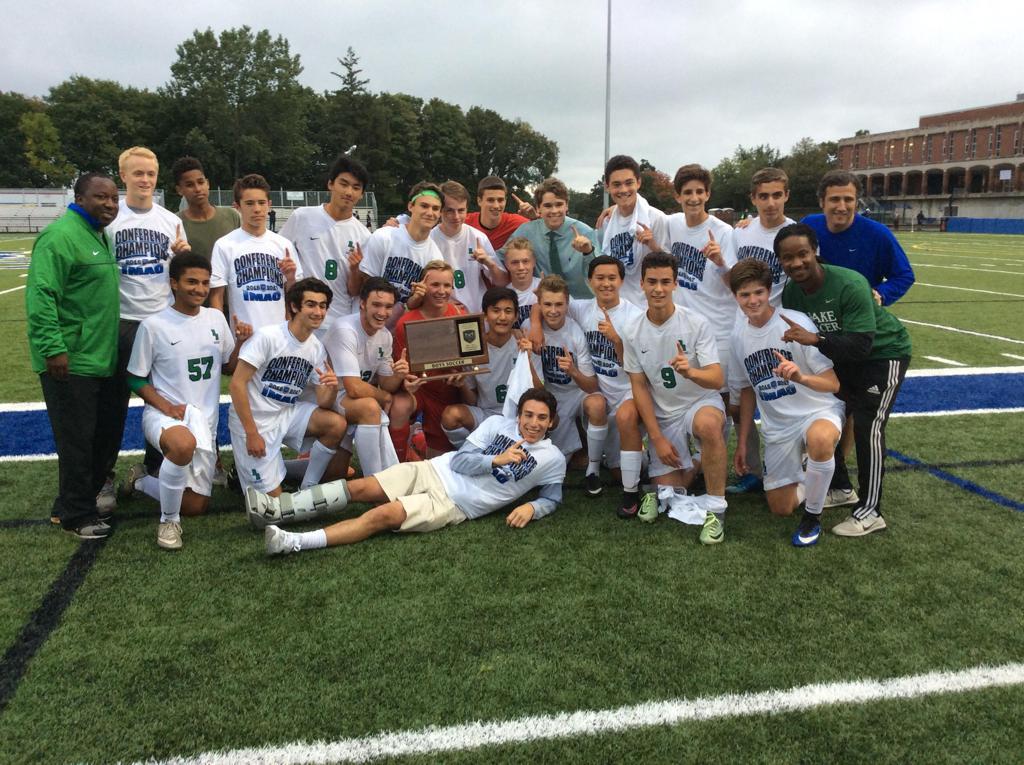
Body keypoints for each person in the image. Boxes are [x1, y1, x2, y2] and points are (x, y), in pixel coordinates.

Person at [250, 388, 567, 555]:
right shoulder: (498, 423)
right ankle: (278, 510)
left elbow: (553, 497)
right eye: (528, 415)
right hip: (433, 469)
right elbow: (459, 461)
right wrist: (494, 460)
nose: (533, 423)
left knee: (382, 516)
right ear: (519, 414)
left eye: (541, 418)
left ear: (551, 421)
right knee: (361, 488)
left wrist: (532, 507)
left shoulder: (552, 458)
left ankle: (293, 542)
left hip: (455, 504)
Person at [778, 223, 912, 537]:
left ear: (815, 253)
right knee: (826, 410)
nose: (796, 263)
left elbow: (861, 344)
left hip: (883, 353)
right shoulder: (792, 291)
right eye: (788, 258)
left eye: (803, 254)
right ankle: (839, 488)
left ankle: (870, 511)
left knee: (869, 426)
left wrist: (816, 339)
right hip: (841, 357)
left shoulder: (850, 283)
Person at [122, 253, 247, 549]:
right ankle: (168, 522)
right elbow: (134, 377)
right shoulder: (154, 325)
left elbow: (229, 367)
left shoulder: (216, 318)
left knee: (196, 506)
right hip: (165, 416)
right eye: (191, 281)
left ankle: (140, 480)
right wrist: (164, 406)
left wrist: (241, 342)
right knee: (182, 446)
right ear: (174, 283)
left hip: (204, 421)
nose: (199, 289)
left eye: (205, 283)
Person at [26, 172, 122, 539]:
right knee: (78, 439)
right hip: (72, 359)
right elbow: (41, 296)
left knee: (101, 436)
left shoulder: (100, 235)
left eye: (114, 198)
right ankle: (77, 516)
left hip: (100, 355)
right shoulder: (61, 236)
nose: (110, 204)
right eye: (101, 197)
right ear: (79, 198)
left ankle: (70, 502)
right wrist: (54, 349)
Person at [728, 259, 844, 547]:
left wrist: (800, 377)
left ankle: (812, 518)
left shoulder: (795, 323)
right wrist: (742, 443)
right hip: (778, 426)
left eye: (758, 292)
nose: (753, 300)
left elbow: (833, 384)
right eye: (745, 295)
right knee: (780, 508)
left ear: (769, 292)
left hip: (816, 411)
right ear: (735, 297)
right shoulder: (738, 335)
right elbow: (745, 391)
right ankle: (810, 473)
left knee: (819, 438)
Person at [622, 253, 728, 543]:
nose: (658, 289)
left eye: (665, 282)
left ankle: (716, 511)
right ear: (641, 283)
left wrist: (691, 372)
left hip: (699, 402)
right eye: (652, 282)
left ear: (675, 284)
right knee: (674, 490)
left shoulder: (696, 323)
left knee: (708, 426)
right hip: (664, 410)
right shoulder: (632, 329)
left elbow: (717, 379)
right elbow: (639, 386)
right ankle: (696, 460)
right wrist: (656, 437)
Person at [107, 146, 192, 501]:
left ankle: (156, 468)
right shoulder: (110, 219)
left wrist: (184, 256)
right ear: (123, 176)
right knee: (111, 403)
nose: (144, 180)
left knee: (162, 400)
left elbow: (179, 272)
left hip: (159, 323)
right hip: (120, 320)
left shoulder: (170, 219)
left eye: (150, 174)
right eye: (137, 173)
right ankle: (103, 476)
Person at [227, 277, 349, 499]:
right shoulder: (268, 336)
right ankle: (249, 473)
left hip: (285, 413)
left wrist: (331, 387)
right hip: (256, 420)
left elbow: (323, 402)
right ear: (294, 306)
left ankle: (308, 487)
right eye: (311, 304)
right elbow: (236, 384)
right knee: (271, 506)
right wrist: (251, 433)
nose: (318, 312)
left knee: (336, 424)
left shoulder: (316, 348)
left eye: (323, 306)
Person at [724, 167, 797, 495]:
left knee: (783, 398)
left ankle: (792, 466)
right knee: (739, 404)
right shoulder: (741, 233)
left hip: (781, 331)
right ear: (753, 199)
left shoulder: (796, 234)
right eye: (763, 196)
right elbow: (731, 278)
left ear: (787, 195)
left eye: (777, 195)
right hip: (742, 329)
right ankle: (751, 468)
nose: (770, 203)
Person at [317, 277, 410, 477]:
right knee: (369, 407)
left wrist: (399, 375)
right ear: (362, 304)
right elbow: (354, 387)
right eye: (376, 305)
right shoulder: (345, 329)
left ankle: (284, 469)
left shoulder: (385, 335)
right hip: (325, 397)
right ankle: (376, 480)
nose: (382, 312)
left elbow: (387, 384)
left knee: (334, 474)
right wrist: (384, 397)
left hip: (348, 400)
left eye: (388, 306)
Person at [279, 154, 371, 324]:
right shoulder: (302, 217)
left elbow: (354, 291)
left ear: (362, 194)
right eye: (343, 184)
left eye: (356, 187)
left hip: (339, 320)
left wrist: (355, 269)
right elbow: (280, 259)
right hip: (302, 318)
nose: (348, 192)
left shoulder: (364, 235)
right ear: (330, 184)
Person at [802, 170, 915, 306]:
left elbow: (904, 275)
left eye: (848, 199)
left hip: (857, 314)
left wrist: (880, 293)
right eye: (835, 199)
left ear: (856, 203)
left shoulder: (878, 234)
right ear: (822, 202)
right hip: (816, 310)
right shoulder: (808, 225)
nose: (842, 207)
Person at [391, 261, 469, 457]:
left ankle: (417, 440)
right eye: (435, 284)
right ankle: (397, 462)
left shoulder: (460, 315)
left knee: (437, 462)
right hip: (419, 390)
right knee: (400, 405)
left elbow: (469, 363)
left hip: (446, 392)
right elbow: (400, 370)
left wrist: (462, 376)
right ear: (423, 286)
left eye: (447, 285)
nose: (441, 291)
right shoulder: (405, 323)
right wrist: (405, 382)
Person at [210, 174, 302, 331]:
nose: (257, 209)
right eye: (249, 203)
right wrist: (221, 334)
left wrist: (291, 278)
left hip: (279, 337)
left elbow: (295, 296)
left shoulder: (283, 245)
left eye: (261, 202)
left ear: (269, 205)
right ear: (237, 207)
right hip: (243, 339)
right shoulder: (225, 245)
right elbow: (216, 296)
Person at [523, 274, 599, 458]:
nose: (553, 310)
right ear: (539, 305)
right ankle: (576, 445)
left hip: (576, 393)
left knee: (597, 404)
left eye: (559, 304)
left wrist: (573, 370)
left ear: (567, 305)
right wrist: (527, 354)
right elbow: (537, 386)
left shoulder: (576, 333)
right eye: (547, 304)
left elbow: (591, 386)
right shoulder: (529, 329)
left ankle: (592, 456)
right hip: (548, 394)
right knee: (557, 458)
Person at [441, 287, 527, 447]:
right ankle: (468, 452)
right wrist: (462, 386)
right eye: (496, 310)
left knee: (553, 416)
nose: (502, 317)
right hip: (486, 415)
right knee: (451, 415)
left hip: (519, 416)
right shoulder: (474, 349)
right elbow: (472, 400)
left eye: (508, 311)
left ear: (516, 316)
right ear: (485, 315)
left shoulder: (523, 343)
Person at [357, 182, 445, 324]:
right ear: (411, 206)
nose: (430, 213)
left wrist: (417, 297)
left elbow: (416, 304)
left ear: (440, 214)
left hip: (399, 330)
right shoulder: (384, 236)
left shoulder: (435, 257)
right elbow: (366, 282)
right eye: (424, 206)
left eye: (435, 208)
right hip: (367, 323)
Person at [504, 178, 600, 299]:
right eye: (548, 206)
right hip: (546, 305)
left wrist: (588, 252)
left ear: (567, 206)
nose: (554, 211)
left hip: (582, 302)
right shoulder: (526, 231)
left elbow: (601, 271)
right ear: (538, 208)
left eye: (559, 204)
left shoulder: (585, 232)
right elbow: (502, 257)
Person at [596, 154, 669, 306]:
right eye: (616, 184)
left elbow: (670, 267)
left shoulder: (656, 219)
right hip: (618, 306)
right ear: (607, 187)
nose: (623, 190)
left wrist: (653, 245)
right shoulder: (607, 222)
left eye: (629, 183)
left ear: (639, 183)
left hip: (647, 307)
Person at [430, 180, 508, 312]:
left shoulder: (478, 237)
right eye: (449, 210)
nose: (456, 216)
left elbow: (502, 282)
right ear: (440, 210)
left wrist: (489, 262)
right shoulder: (430, 239)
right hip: (443, 314)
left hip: (476, 313)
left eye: (461, 210)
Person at [172, 156, 241, 261]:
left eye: (200, 182)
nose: (198, 189)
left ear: (207, 183)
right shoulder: (175, 223)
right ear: (179, 190)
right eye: (190, 185)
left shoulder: (232, 216)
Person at [465, 176, 535, 251]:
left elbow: (545, 231)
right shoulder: (465, 222)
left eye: (500, 200)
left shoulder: (516, 223)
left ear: (505, 201)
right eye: (490, 200)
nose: (496, 206)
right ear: (479, 201)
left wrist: (535, 218)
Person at [504, 237, 540, 329]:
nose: (521, 267)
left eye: (525, 261)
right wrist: (511, 332)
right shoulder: (503, 296)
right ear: (507, 264)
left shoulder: (547, 287)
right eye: (515, 262)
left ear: (534, 262)